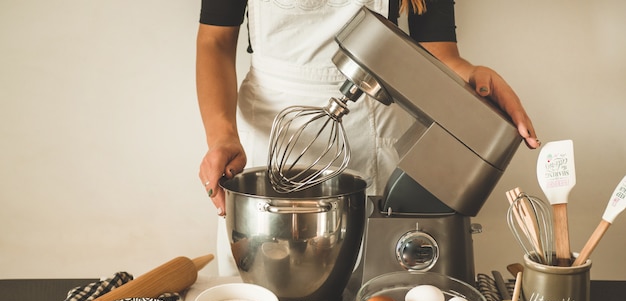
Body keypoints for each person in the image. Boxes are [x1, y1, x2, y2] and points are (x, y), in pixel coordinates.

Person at [196, 0, 540, 276]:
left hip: (372, 121)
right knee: (264, 291)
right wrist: (222, 136)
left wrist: (475, 77)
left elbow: (439, 55)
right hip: (271, 132)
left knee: (375, 288)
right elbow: (215, 40)